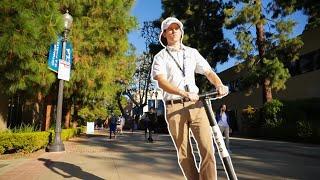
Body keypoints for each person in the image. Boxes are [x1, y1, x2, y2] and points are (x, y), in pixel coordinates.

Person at [152, 17, 229, 180]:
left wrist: (219, 84)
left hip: (196, 105)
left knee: (208, 149)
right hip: (174, 107)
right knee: (185, 154)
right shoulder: (160, 57)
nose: (173, 31)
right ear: (164, 34)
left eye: (176, 28)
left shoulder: (192, 53)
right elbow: (162, 82)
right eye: (169, 29)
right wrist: (183, 93)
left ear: (181, 32)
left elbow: (208, 71)